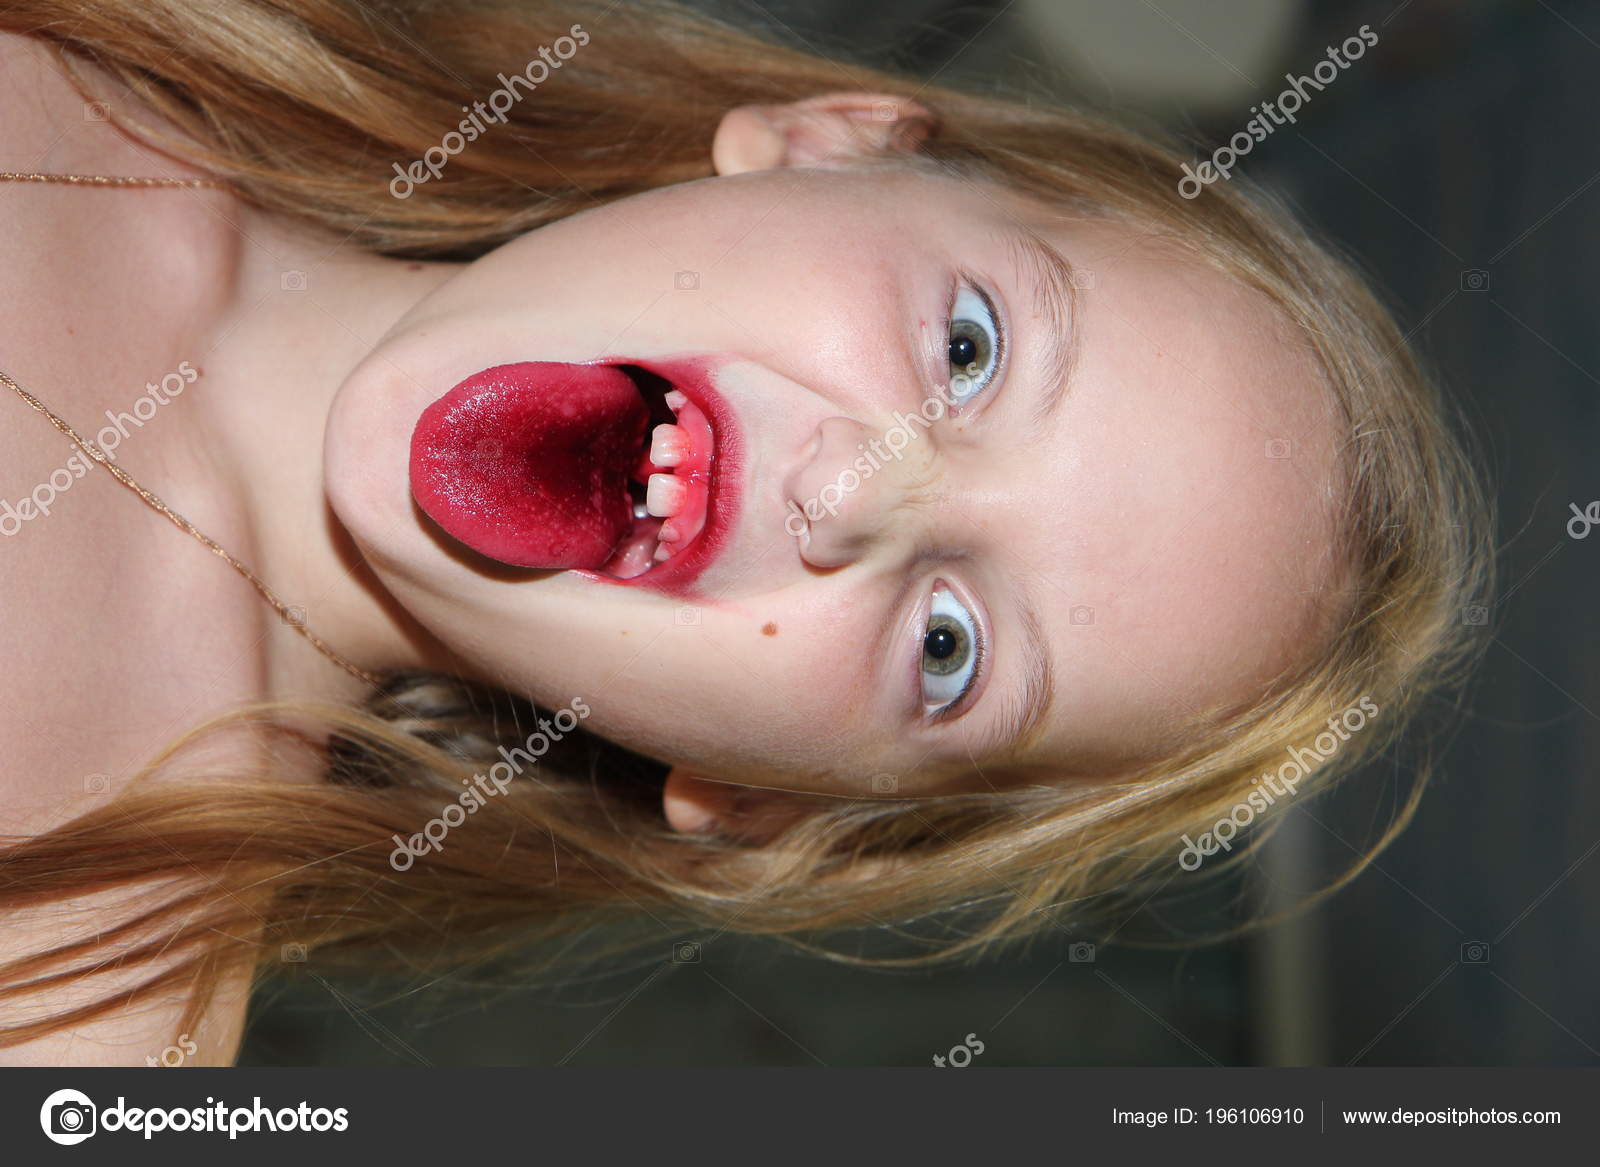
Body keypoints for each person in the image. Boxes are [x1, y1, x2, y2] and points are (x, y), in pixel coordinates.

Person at [0, 0, 1491, 1065]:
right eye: (967, 349)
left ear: (765, 801)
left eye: (950, 648)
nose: (853, 494)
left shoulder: (85, 1008)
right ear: (830, 142)